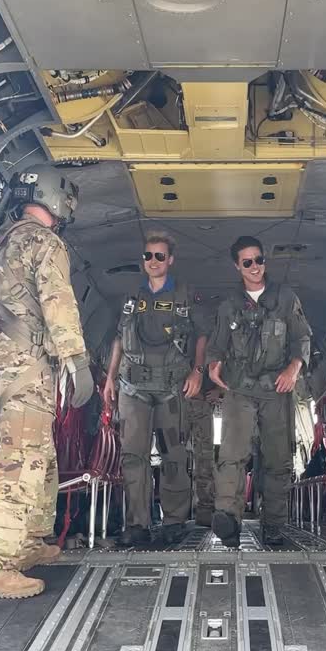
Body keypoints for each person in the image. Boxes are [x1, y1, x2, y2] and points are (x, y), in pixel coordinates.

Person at [0, 166, 94, 599]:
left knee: (40, 448)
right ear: (53, 198)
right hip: (24, 362)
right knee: (21, 456)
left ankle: (30, 540)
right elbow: (58, 302)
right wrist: (76, 359)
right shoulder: (43, 241)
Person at [103, 230, 208, 547]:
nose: (153, 261)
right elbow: (119, 339)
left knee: (173, 454)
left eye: (159, 256)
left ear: (170, 260)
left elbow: (202, 335)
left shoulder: (186, 296)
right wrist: (109, 377)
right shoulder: (130, 299)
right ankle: (138, 523)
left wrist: (198, 371)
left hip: (171, 388)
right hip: (133, 388)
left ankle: (175, 521)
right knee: (134, 456)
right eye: (148, 255)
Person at [207, 236, 311, 547]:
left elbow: (302, 339)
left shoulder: (285, 298)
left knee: (277, 459)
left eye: (259, 260)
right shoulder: (229, 306)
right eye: (247, 262)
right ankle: (228, 519)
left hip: (275, 389)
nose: (255, 267)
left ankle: (274, 524)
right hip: (240, 389)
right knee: (231, 455)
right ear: (237, 266)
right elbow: (217, 343)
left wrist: (293, 369)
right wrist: (213, 365)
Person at [187, 379, 220, 527]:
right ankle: (175, 517)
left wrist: (218, 390)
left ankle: (205, 510)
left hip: (202, 402)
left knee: (205, 459)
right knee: (174, 458)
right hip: (174, 400)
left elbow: (220, 362)